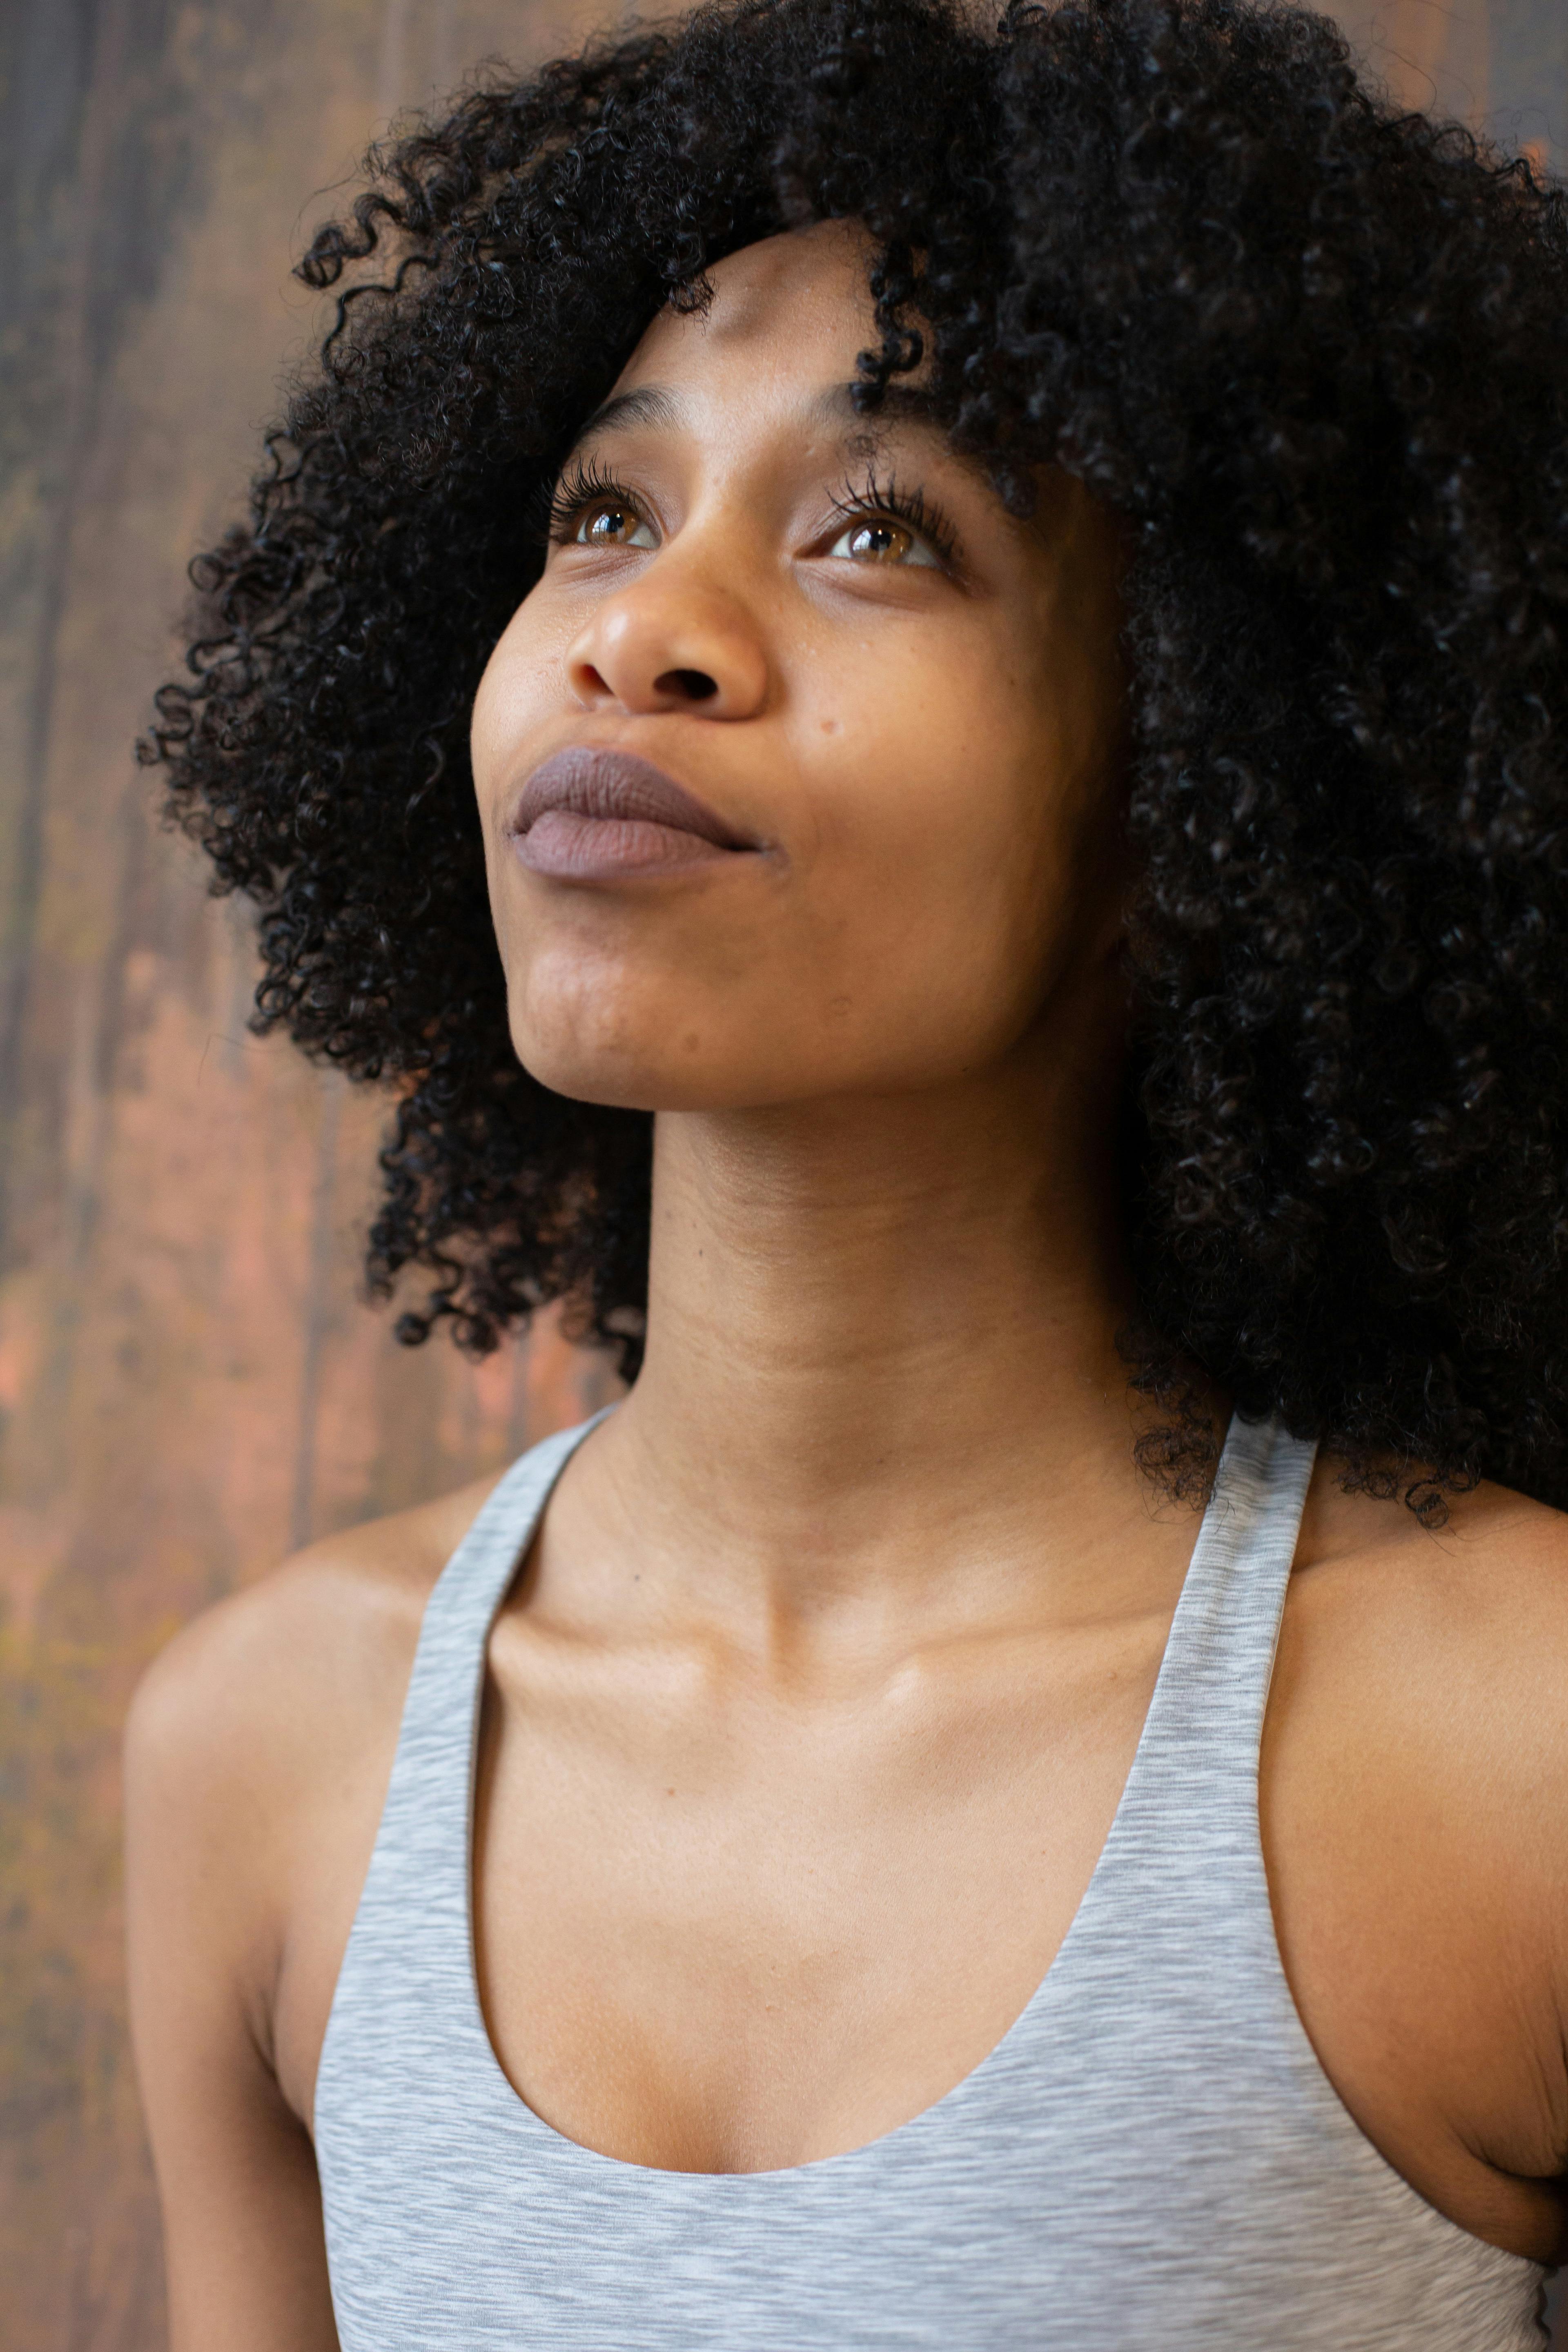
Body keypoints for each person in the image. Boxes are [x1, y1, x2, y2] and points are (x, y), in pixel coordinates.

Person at [123, 0, 1568, 2342]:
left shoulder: (1515, 1750)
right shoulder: (263, 1749)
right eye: (603, 511)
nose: (645, 633)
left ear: (1197, 801)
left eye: (881, 530)